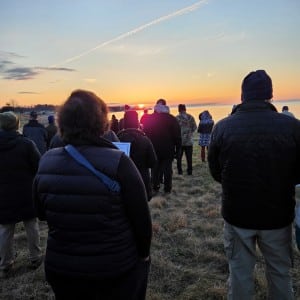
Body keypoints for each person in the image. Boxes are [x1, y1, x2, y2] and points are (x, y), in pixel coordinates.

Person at [33, 90, 152, 299]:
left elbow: (41, 213)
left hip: (62, 267)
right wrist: (143, 254)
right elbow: (142, 220)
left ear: (63, 122)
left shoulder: (46, 161)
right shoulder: (119, 162)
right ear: (101, 121)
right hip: (113, 269)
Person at [208, 69, 300, 299]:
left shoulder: (222, 127)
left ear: (242, 96)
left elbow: (216, 171)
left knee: (239, 273)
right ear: (270, 95)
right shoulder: (292, 127)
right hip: (278, 215)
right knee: (280, 273)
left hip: (238, 214)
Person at [0, 111, 43, 278]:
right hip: (26, 191)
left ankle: (5, 264)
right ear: (17, 125)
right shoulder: (26, 144)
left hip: (3, 193)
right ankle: (35, 257)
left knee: (5, 229)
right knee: (32, 224)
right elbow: (39, 166)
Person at [143, 99, 181, 194]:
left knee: (155, 169)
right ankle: (167, 189)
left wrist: (146, 148)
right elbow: (177, 135)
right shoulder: (171, 118)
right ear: (165, 106)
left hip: (153, 148)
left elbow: (145, 134)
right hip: (168, 149)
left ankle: (155, 186)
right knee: (167, 169)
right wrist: (178, 149)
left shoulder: (149, 119)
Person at [118, 110, 157, 201]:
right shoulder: (145, 139)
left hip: (123, 182)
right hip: (142, 179)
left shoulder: (118, 139)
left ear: (124, 123)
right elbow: (153, 162)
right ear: (137, 122)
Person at [176, 104, 197, 175]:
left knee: (179, 158)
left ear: (179, 109)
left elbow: (174, 130)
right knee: (189, 158)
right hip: (189, 141)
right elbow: (194, 127)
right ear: (185, 109)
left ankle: (180, 171)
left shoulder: (177, 118)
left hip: (180, 141)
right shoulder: (191, 117)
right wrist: (189, 133)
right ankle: (189, 171)